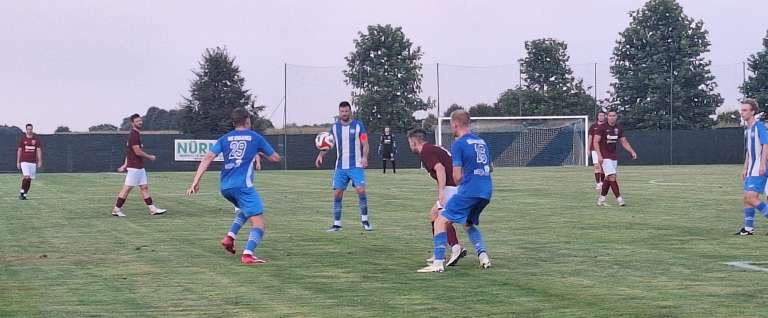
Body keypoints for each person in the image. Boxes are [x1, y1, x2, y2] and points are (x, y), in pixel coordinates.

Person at [185, 107, 281, 264]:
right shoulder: (255, 137)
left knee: (245, 210)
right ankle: (248, 254)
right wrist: (261, 153)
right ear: (248, 120)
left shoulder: (225, 138)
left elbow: (208, 157)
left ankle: (230, 237)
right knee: (259, 223)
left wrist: (195, 181)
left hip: (225, 187)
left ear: (234, 122)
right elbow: (275, 158)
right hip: (243, 186)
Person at [418, 110, 492, 273]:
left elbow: (457, 176)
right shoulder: (481, 141)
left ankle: (437, 263)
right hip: (486, 191)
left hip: (470, 190)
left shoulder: (458, 143)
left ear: (455, 124)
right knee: (467, 222)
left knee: (439, 219)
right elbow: (490, 168)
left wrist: (463, 181)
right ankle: (483, 255)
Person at [407, 128, 467, 266]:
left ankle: (455, 248)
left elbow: (440, 169)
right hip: (457, 186)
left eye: (409, 142)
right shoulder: (433, 148)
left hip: (452, 188)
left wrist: (441, 191)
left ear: (414, 141)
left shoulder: (426, 151)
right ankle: (441, 250)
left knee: (442, 218)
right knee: (435, 214)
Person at [315, 101, 372, 232]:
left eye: (346, 111)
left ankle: (365, 220)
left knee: (361, 190)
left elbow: (365, 143)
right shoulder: (334, 128)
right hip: (340, 167)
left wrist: (364, 157)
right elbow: (328, 144)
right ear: (339, 112)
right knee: (337, 194)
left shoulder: (358, 125)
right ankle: (337, 224)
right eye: (342, 111)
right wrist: (320, 155)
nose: (344, 113)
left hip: (356, 165)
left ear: (350, 111)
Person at [111, 114, 167, 217]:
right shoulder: (133, 135)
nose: (140, 122)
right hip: (135, 168)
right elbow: (137, 151)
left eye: (140, 120)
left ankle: (152, 209)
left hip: (139, 167)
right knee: (127, 189)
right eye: (137, 121)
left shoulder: (136, 134)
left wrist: (124, 165)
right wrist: (150, 157)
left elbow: (129, 152)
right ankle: (116, 210)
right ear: (133, 123)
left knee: (144, 187)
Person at [735, 99, 768, 235]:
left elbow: (765, 145)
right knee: (746, 198)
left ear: (753, 112)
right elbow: (749, 151)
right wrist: (745, 168)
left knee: (750, 197)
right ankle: (748, 229)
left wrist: (762, 164)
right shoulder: (747, 130)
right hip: (750, 169)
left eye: (745, 110)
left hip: (758, 168)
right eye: (741, 110)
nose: (742, 113)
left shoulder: (759, 126)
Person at [593, 111, 638, 207]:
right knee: (612, 176)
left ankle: (601, 198)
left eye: (614, 116)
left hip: (613, 156)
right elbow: (595, 142)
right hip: (604, 156)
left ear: (616, 117)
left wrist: (632, 151)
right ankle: (619, 199)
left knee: (608, 178)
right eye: (610, 116)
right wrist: (599, 155)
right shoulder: (602, 127)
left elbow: (624, 141)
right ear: (607, 117)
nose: (612, 117)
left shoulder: (619, 128)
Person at [16, 124, 42, 200]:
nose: (30, 130)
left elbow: (38, 150)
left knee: (29, 179)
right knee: (26, 177)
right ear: (26, 130)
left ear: (32, 129)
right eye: (28, 129)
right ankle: (21, 192)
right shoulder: (23, 140)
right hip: (24, 162)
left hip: (33, 162)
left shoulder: (36, 140)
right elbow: (19, 151)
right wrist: (18, 162)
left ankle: (25, 194)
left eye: (31, 129)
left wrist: (40, 161)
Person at [588, 112, 607, 190]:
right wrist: (588, 149)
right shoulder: (593, 126)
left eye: (603, 115)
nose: (601, 117)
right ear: (597, 117)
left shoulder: (607, 126)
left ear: (604, 117)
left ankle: (602, 183)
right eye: (600, 115)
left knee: (603, 167)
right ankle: (598, 183)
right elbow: (590, 137)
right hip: (594, 149)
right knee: (596, 166)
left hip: (604, 149)